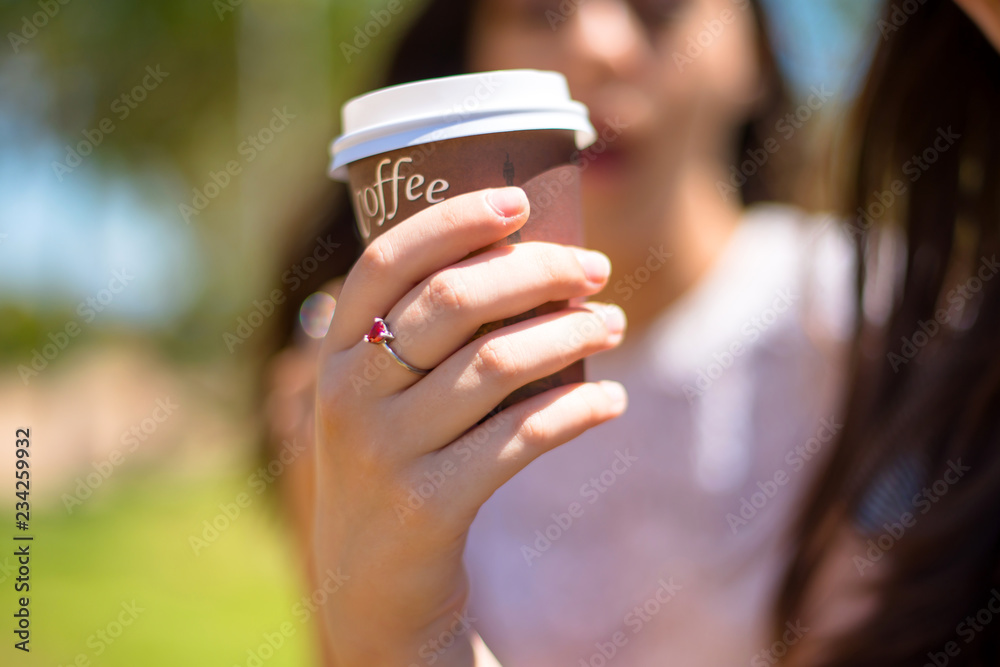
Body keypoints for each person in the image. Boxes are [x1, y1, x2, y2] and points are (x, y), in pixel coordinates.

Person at [264, 0, 854, 665]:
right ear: (471, 57)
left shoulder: (876, 322)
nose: (596, 46)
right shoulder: (373, 390)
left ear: (754, 53)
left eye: (658, 8)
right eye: (539, 11)